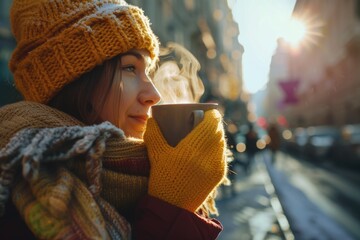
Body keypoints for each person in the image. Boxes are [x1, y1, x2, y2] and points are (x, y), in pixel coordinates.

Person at [0, 0, 228, 239]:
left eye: (148, 72)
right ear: (76, 81)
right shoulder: (19, 187)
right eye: (130, 68)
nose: (154, 95)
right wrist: (169, 208)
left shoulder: (144, 174)